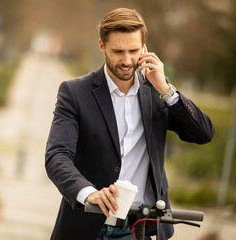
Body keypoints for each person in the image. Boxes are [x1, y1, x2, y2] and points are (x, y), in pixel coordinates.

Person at [45, 7, 215, 240]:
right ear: (102, 46)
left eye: (133, 51)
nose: (126, 61)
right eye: (117, 51)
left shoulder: (157, 93)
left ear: (144, 49)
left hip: (137, 228)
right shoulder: (75, 93)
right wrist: (89, 194)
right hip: (85, 226)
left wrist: (166, 90)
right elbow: (57, 156)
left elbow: (203, 133)